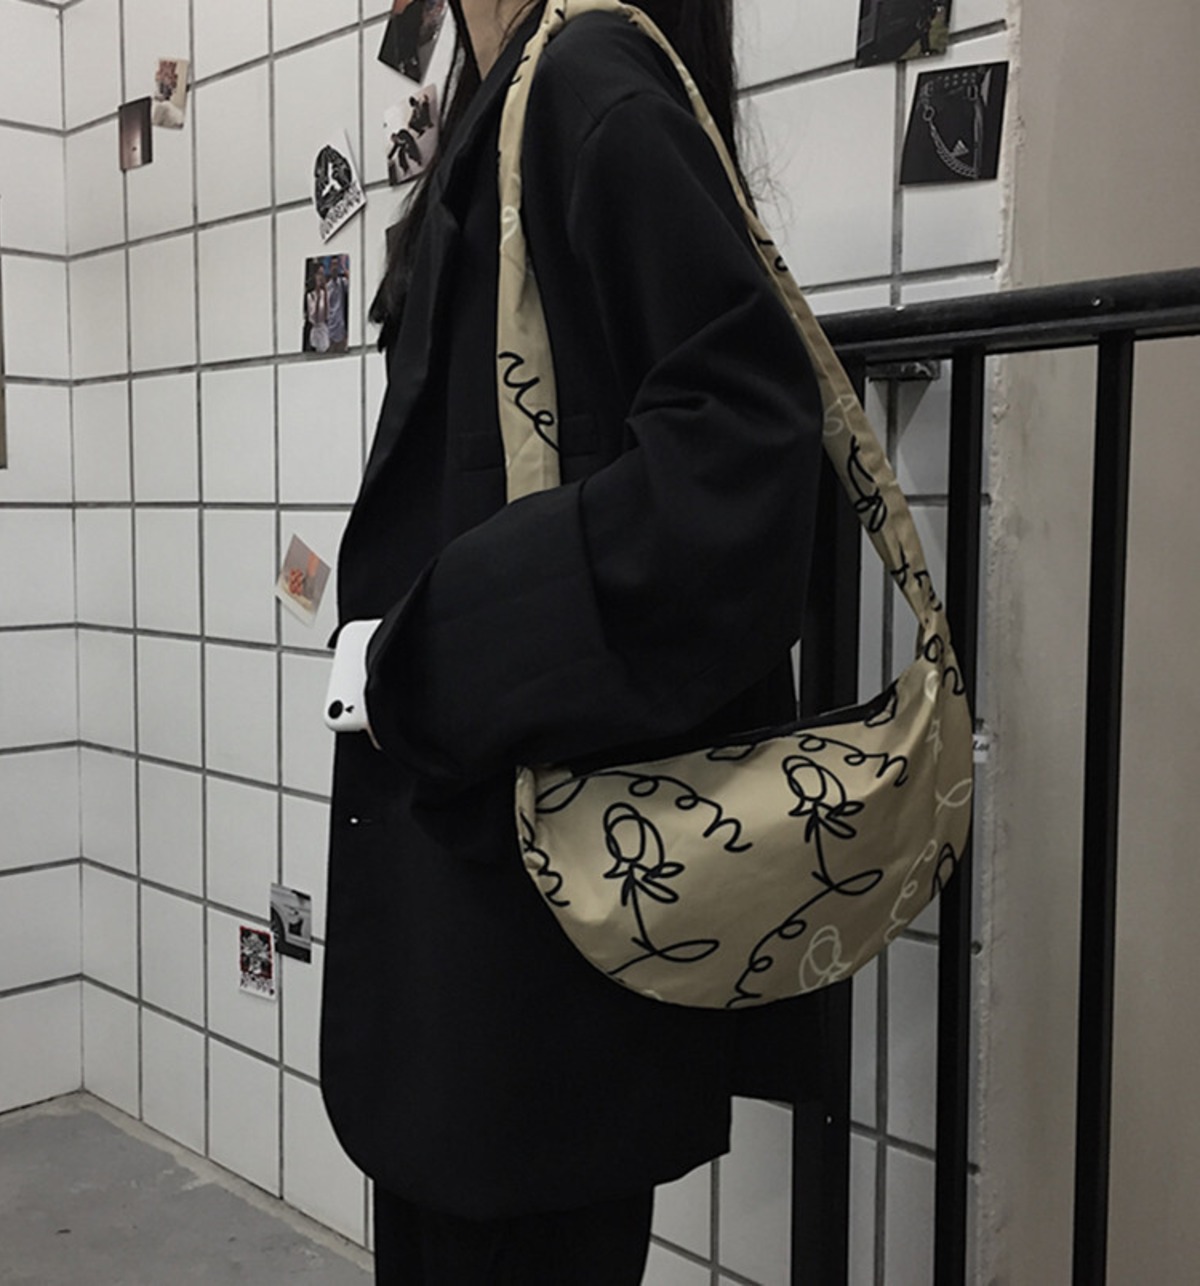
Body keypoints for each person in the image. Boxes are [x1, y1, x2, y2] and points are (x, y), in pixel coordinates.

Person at [320, 2, 826, 1282]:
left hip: (531, 937)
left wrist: (432, 648)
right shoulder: (515, 100)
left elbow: (741, 464)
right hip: (495, 897)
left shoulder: (582, 83)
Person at [305, 261, 330, 354]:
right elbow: (313, 318)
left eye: (322, 274)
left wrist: (325, 292)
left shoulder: (325, 294)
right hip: (315, 331)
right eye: (319, 274)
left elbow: (327, 315)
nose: (321, 277)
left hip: (324, 330)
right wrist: (318, 297)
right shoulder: (310, 295)